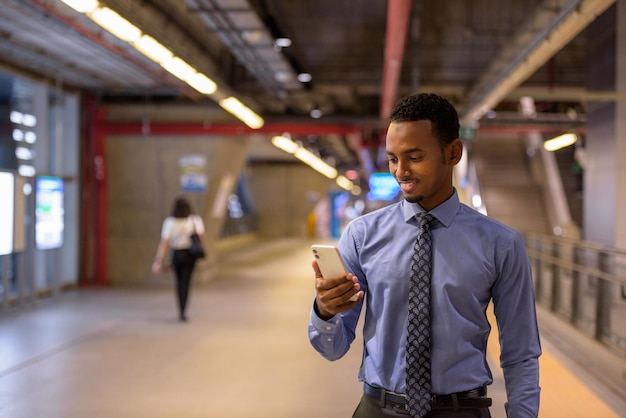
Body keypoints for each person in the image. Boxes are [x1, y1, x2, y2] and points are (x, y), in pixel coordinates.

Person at [308, 93, 541, 418]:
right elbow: (331, 348)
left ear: (453, 153)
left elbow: (520, 352)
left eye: (414, 157)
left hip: (463, 411)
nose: (400, 171)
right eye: (392, 158)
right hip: (378, 409)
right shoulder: (362, 236)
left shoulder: (500, 243)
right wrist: (325, 312)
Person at [152, 196, 205, 322]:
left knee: (179, 281)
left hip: (176, 253)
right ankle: (183, 310)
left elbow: (164, 243)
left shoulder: (170, 222)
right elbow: (202, 237)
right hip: (190, 254)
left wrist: (158, 261)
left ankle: (180, 307)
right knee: (186, 281)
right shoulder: (194, 220)